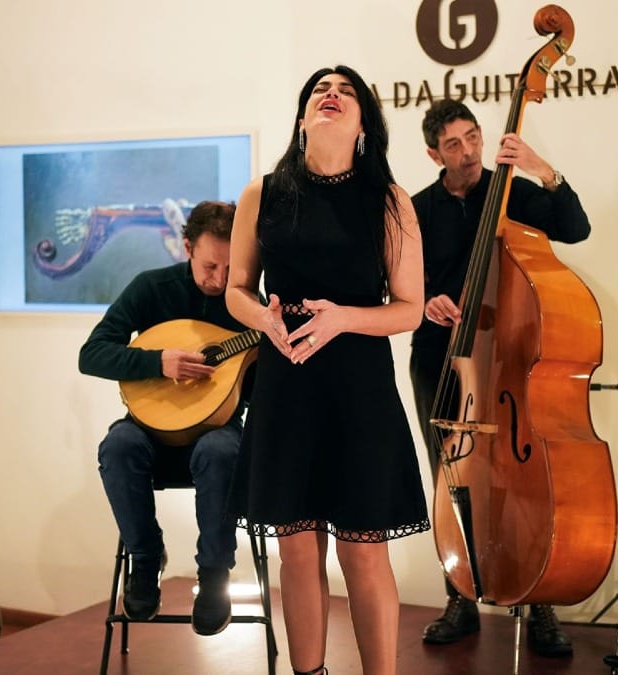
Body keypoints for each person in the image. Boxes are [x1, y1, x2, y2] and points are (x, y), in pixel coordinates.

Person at [224, 65, 428, 675]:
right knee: (296, 551)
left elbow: (410, 309)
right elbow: (236, 290)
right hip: (288, 385)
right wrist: (262, 319)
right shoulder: (261, 194)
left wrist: (342, 319)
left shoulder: (388, 201)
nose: (331, 94)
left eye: (346, 91)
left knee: (363, 554)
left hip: (358, 388)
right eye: (320, 88)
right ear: (302, 115)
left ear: (365, 122)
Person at [408, 98, 592, 656]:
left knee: (527, 479)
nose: (467, 153)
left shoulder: (512, 191)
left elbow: (576, 229)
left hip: (511, 357)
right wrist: (422, 305)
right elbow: (388, 285)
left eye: (472, 138)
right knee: (451, 475)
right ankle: (460, 597)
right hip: (441, 357)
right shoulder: (415, 210)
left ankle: (540, 602)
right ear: (432, 153)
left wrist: (542, 168)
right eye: (453, 145)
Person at [79, 200, 246, 636]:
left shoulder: (247, 303)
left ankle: (213, 577)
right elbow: (91, 355)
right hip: (150, 431)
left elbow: (266, 387)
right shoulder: (151, 288)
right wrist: (158, 363)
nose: (220, 280)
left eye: (230, 269)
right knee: (118, 446)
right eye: (210, 266)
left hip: (217, 432)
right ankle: (146, 558)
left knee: (222, 448)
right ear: (186, 246)